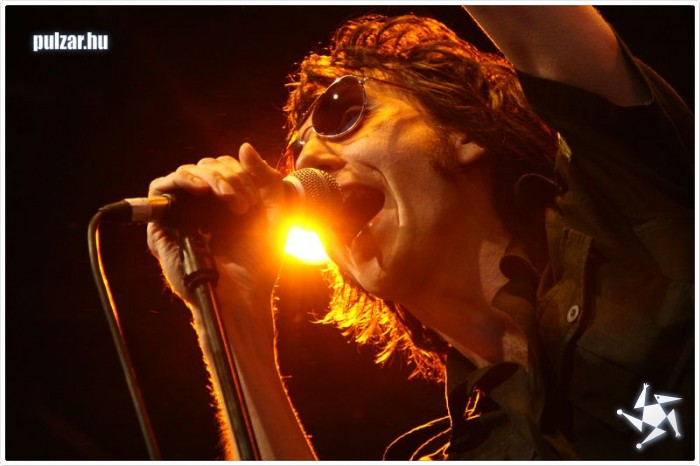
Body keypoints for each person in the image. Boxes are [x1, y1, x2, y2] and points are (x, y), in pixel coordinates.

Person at [146, 6, 694, 460]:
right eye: (296, 151)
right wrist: (232, 318)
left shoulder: (626, 206)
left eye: (342, 112)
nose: (307, 159)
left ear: (465, 130)